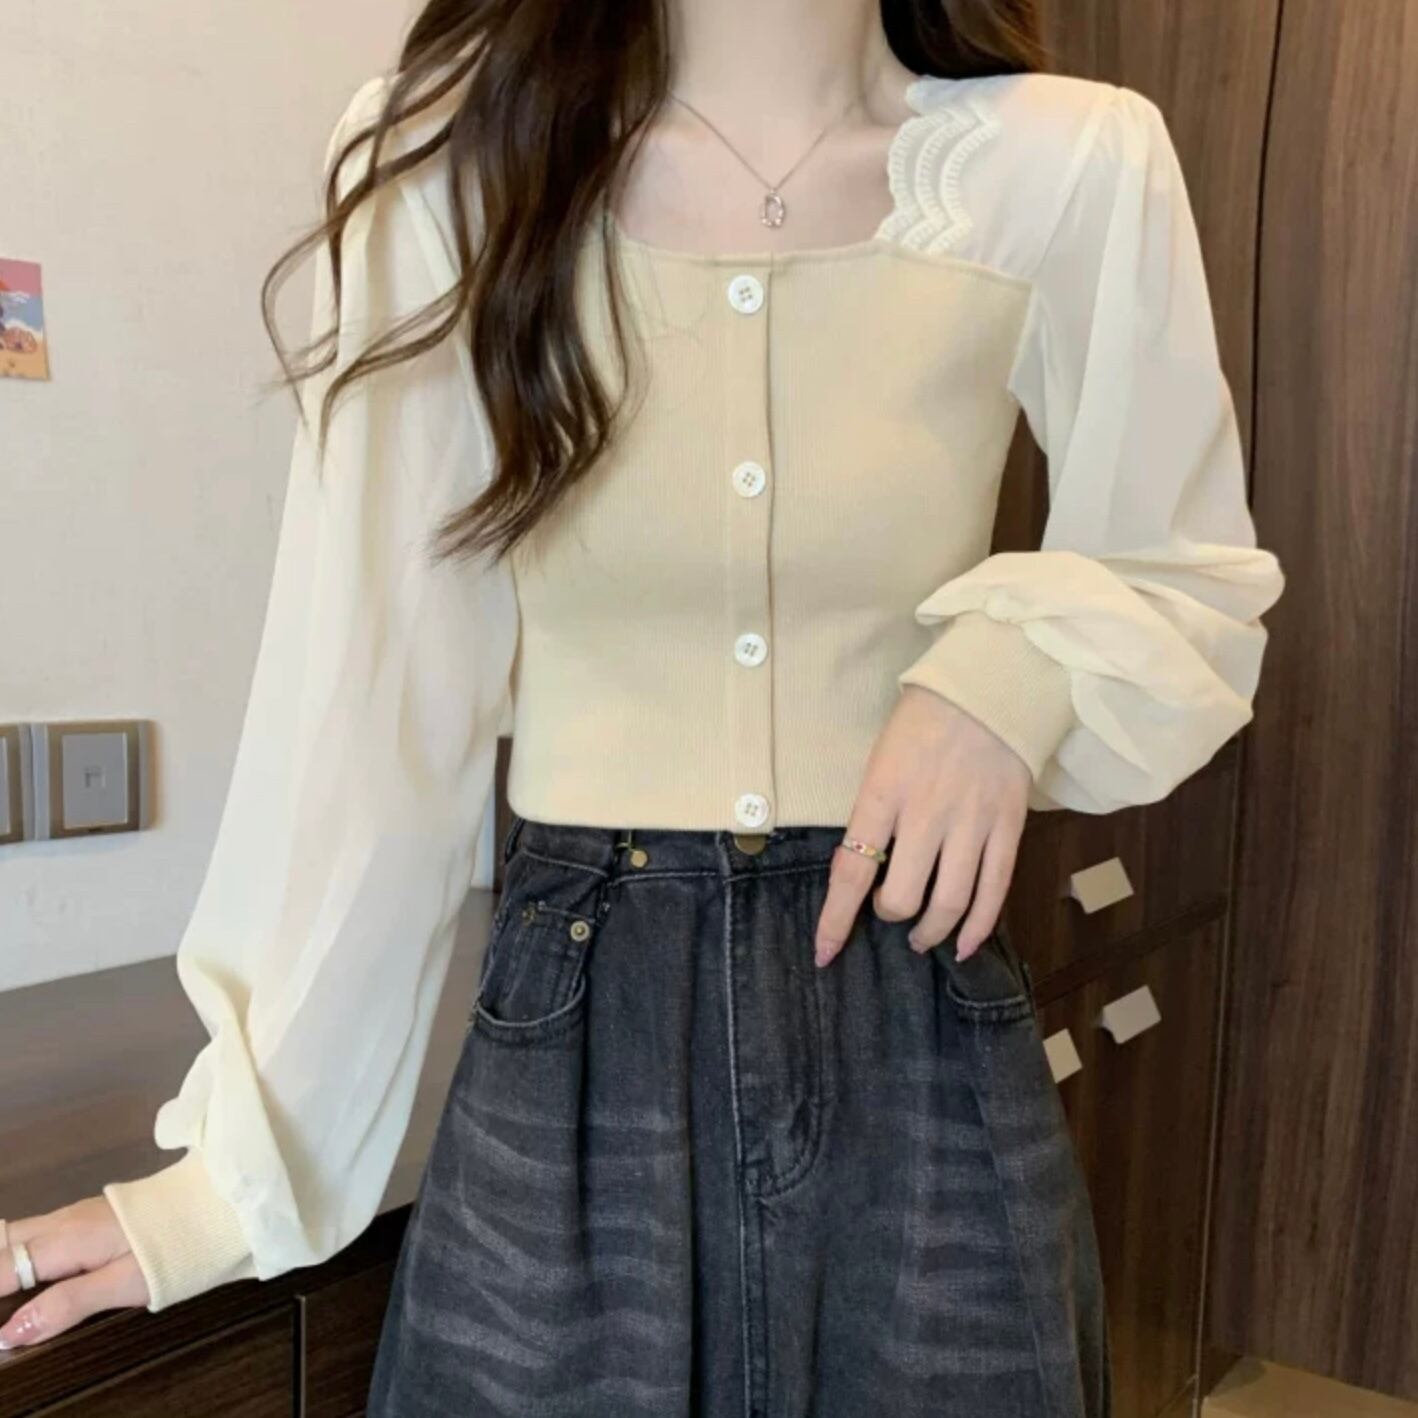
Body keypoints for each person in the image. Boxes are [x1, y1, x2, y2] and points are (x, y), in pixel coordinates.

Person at [0, 1, 1285, 1412]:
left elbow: (1185, 576)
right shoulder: (451, 164)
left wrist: (998, 680)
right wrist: (226, 1189)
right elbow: (369, 719)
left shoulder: (1071, 163)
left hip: (912, 1003)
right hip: (577, 1021)